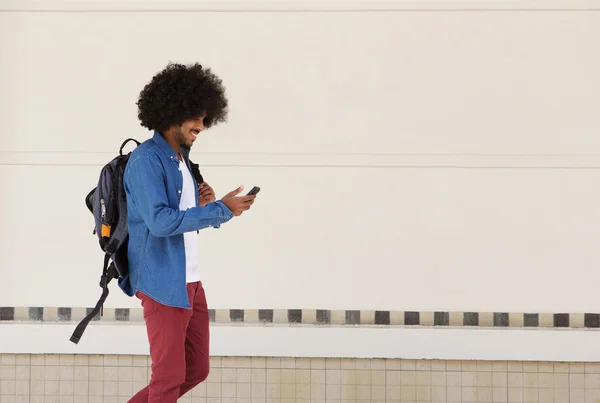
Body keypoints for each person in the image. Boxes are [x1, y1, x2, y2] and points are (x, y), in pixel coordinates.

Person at [121, 62, 256, 403]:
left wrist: (205, 200)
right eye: (195, 117)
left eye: (205, 117)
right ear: (172, 113)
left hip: (190, 281)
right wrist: (222, 209)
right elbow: (161, 222)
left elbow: (183, 216)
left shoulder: (181, 159)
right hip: (162, 282)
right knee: (167, 379)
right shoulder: (145, 160)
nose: (202, 124)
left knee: (196, 369)